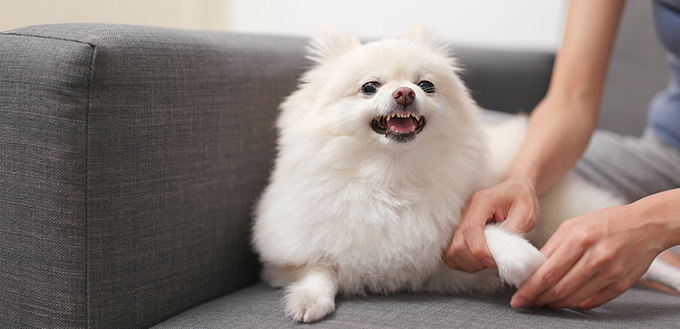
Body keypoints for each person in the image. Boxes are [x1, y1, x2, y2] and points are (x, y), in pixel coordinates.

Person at [442, 0, 680, 310]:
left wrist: (652, 223)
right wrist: (521, 180)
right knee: (462, 137)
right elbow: (572, 100)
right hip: (665, 155)